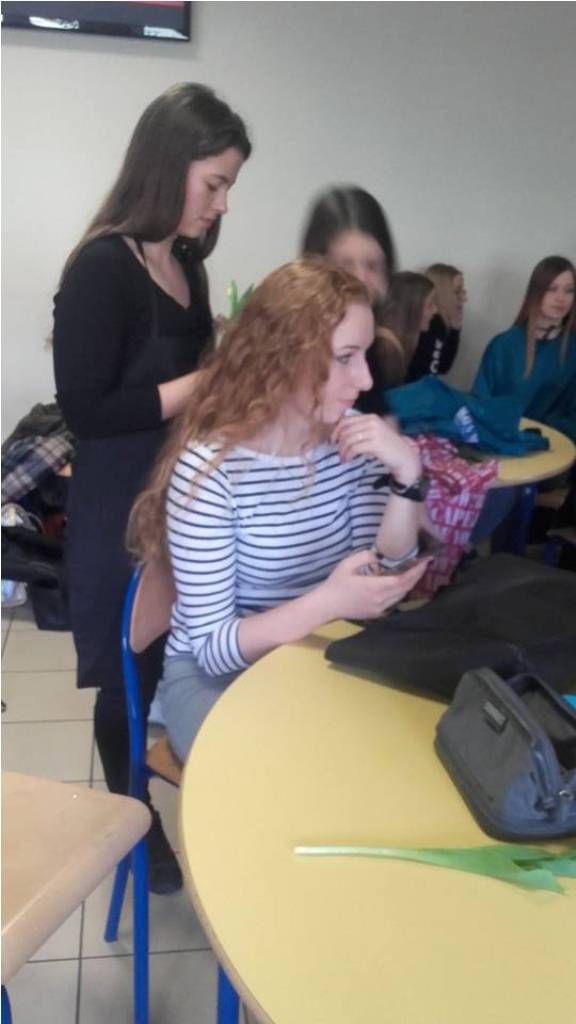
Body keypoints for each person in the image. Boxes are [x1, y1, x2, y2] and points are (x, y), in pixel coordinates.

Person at [52, 82, 251, 893]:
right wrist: (206, 380)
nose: (223, 203)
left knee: (174, 659)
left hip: (177, 498)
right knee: (125, 676)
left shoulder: (188, 266)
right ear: (168, 167)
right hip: (117, 507)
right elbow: (87, 409)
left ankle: (172, 802)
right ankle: (135, 825)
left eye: (229, 186)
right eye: (215, 183)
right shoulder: (103, 268)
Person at [129, 258, 431, 761]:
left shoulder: (350, 437)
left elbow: (383, 571)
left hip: (322, 653)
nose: (364, 379)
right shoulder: (211, 470)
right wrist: (331, 601)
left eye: (365, 356)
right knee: (283, 771)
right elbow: (213, 649)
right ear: (283, 358)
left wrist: (408, 475)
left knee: (401, 752)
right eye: (346, 357)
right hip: (219, 677)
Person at [300, 186, 396, 412]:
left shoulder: (369, 341)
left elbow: (380, 414)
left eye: (372, 266)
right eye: (345, 265)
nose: (360, 279)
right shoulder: (293, 347)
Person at [473, 255, 576, 443]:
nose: (561, 298)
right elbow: (481, 404)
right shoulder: (504, 346)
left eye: (569, 290)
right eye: (552, 289)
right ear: (536, 292)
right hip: (504, 445)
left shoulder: (572, 350)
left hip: (558, 448)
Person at [374, 272, 437, 390]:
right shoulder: (386, 350)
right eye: (430, 304)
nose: (435, 310)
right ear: (411, 307)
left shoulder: (393, 343)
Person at [408, 263, 467, 381]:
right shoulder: (432, 324)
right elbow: (427, 373)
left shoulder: (439, 324)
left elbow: (441, 367)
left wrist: (455, 330)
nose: (464, 298)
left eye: (463, 291)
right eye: (457, 291)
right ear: (442, 293)